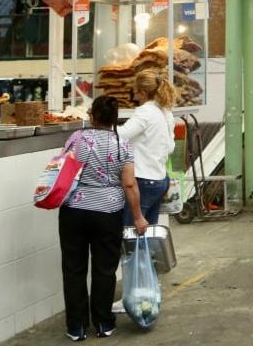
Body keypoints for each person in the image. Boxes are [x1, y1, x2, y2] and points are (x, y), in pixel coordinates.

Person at [59, 96, 147, 342]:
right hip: (108, 213)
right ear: (114, 119)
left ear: (92, 115)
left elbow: (60, 168)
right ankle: (103, 323)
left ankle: (76, 327)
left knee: (74, 269)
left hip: (74, 210)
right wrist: (138, 217)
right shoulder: (122, 144)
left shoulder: (76, 139)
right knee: (105, 269)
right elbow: (129, 183)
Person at [118, 71, 176, 227]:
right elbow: (170, 147)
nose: (133, 94)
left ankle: (136, 253)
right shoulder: (166, 112)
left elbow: (121, 135)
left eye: (134, 90)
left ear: (142, 93)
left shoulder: (145, 112)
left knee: (132, 233)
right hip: (160, 179)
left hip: (143, 181)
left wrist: (101, 125)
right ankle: (147, 253)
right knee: (148, 233)